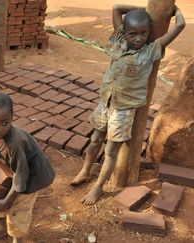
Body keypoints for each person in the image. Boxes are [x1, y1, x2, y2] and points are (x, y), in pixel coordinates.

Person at [70, 4, 185, 205]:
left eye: (143, 33)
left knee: (110, 151)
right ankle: (85, 171)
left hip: (123, 111)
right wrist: (142, 9)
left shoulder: (150, 51)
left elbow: (180, 25)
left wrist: (173, 10)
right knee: (95, 140)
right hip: (105, 102)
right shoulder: (119, 40)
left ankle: (98, 188)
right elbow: (116, 8)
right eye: (133, 33)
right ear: (124, 32)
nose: (139, 38)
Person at [0, 92, 55, 243]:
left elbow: (21, 178)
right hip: (10, 171)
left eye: (4, 123)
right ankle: (0, 228)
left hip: (31, 177)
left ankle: (18, 239)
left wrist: (8, 202)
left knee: (17, 210)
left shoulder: (16, 143)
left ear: (12, 118)